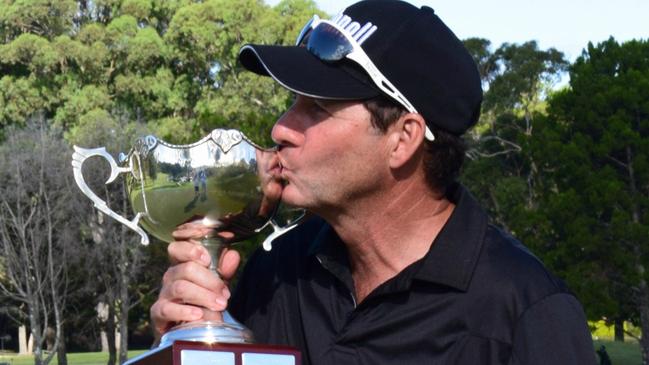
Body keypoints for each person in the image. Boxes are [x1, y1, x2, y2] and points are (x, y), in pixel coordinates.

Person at [150, 1, 596, 364]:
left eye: (317, 109)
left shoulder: (524, 311)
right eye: (292, 103)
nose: (281, 128)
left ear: (403, 139)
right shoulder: (277, 274)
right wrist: (182, 342)